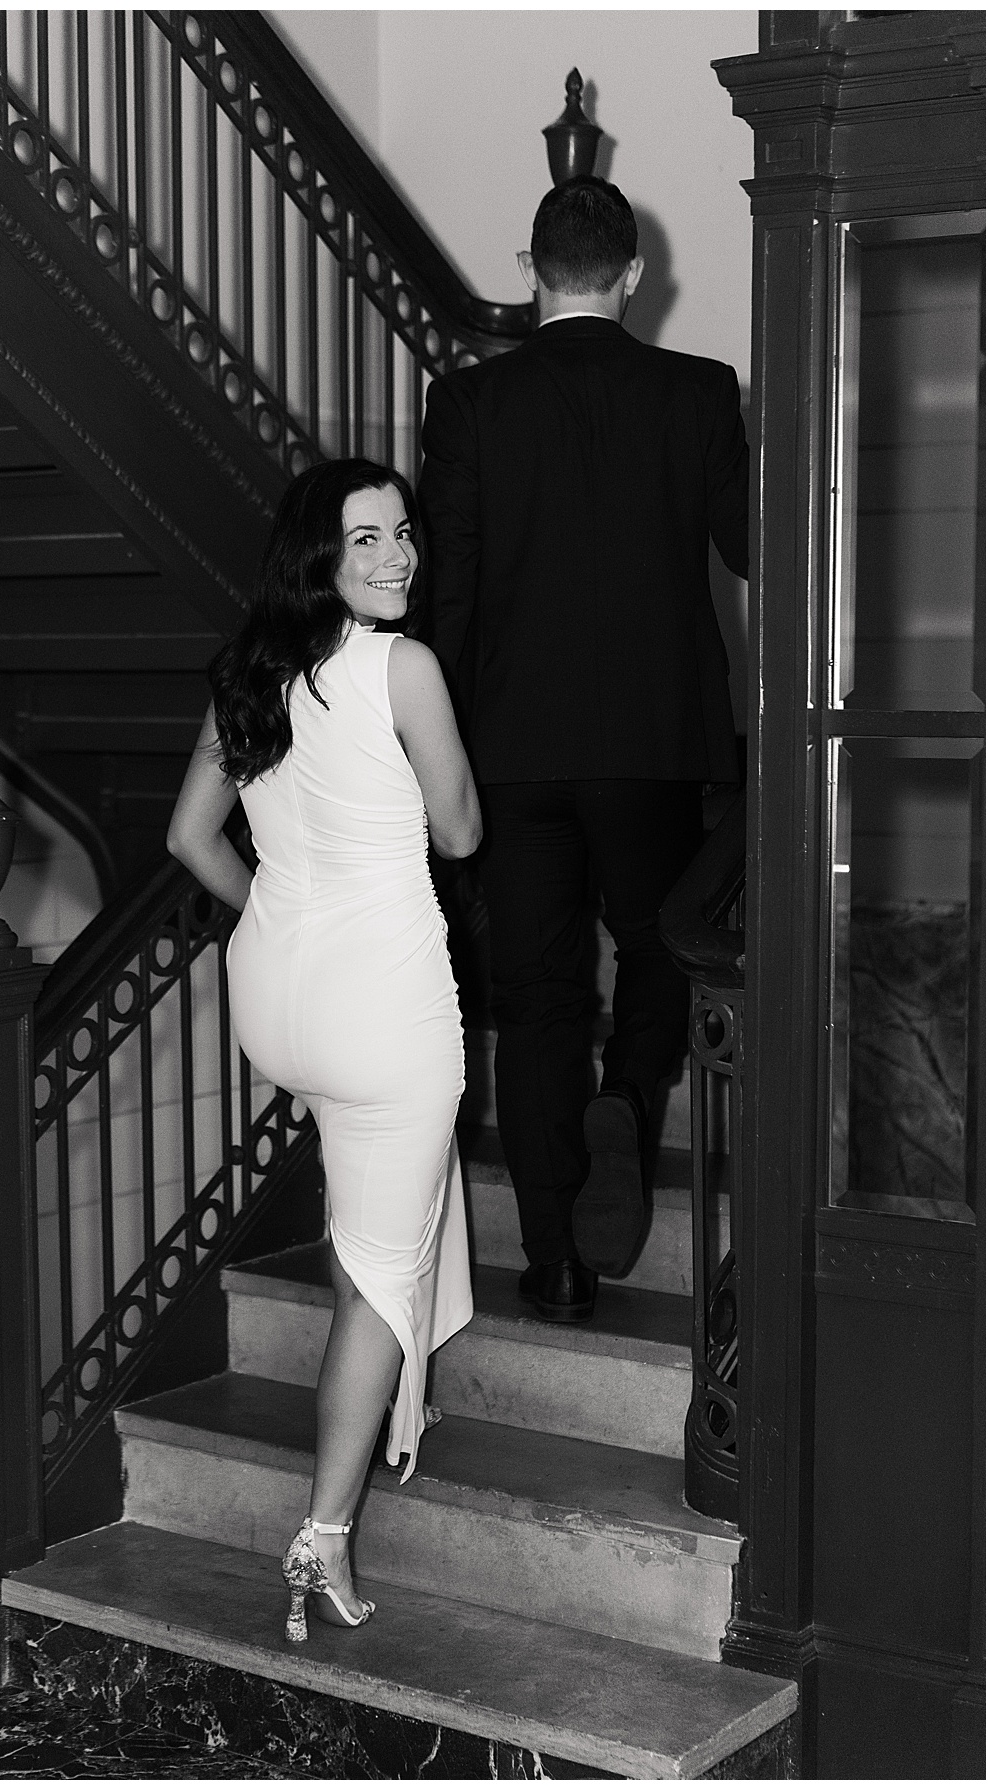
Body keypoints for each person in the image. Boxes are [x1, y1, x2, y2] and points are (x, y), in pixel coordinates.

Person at [417, 175, 748, 1324]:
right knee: (663, 940)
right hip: (653, 740)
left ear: (529, 268)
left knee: (538, 990)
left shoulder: (467, 406)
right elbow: (757, 549)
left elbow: (447, 593)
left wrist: (433, 746)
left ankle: (552, 1256)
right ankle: (628, 1088)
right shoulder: (700, 393)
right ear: (634, 275)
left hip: (508, 745)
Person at [166, 458, 481, 1643]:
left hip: (279, 999)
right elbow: (460, 828)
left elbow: (190, 836)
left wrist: (275, 904)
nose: (397, 556)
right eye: (367, 541)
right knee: (383, 1269)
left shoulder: (249, 671)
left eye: (404, 532)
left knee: (370, 1225)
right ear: (321, 557)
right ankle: (324, 1531)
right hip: (386, 1007)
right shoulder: (405, 666)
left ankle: (396, 1396)